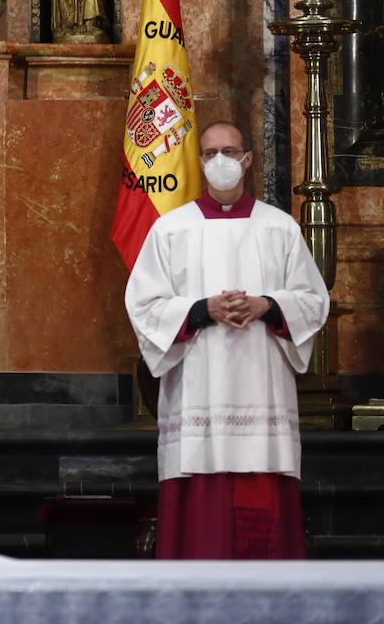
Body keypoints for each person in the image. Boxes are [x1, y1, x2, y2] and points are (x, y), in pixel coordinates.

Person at [125, 121, 328, 559]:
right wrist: (202, 311)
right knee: (200, 506)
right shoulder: (171, 230)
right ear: (199, 162)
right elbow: (143, 304)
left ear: (248, 159)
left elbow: (312, 299)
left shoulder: (280, 228)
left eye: (231, 152)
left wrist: (267, 306)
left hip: (262, 385)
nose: (221, 161)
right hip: (199, 384)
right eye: (211, 152)